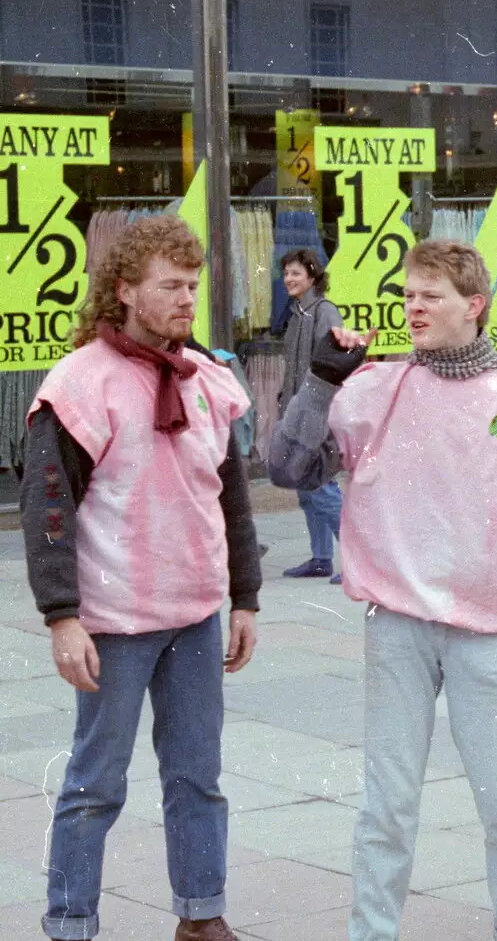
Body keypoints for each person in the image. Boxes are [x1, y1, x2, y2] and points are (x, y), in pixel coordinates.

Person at [269, 239, 497, 941]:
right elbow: (287, 467)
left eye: (429, 295)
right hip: (398, 624)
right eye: (407, 293)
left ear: (473, 306)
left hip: (488, 628)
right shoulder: (374, 390)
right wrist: (321, 382)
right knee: (388, 803)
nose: (412, 305)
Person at [23, 216, 261, 941]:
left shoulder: (207, 377)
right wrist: (63, 615)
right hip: (114, 618)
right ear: (124, 291)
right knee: (95, 783)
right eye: (170, 286)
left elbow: (232, 495)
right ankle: (70, 923)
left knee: (198, 776)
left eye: (193, 285)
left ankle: (201, 914)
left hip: (194, 612)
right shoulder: (80, 384)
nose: (187, 298)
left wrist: (245, 597)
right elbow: (47, 508)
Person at [277, 248, 345, 583]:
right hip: (298, 412)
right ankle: (321, 558)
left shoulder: (324, 311)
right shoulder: (298, 313)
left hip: (317, 413)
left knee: (321, 486)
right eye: (286, 273)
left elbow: (332, 363)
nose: (289, 279)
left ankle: (361, 561)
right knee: (306, 487)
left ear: (313, 276)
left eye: (296, 273)